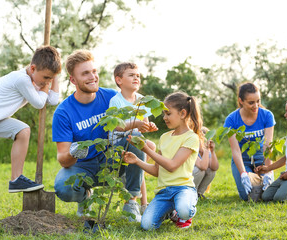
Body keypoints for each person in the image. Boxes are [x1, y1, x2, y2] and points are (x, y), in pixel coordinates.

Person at [0, 46, 62, 228]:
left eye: (50, 78)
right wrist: (47, 84)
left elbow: (53, 100)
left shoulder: (35, 78)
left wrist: (55, 77)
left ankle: (16, 179)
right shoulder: (21, 79)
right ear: (32, 69)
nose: (47, 82)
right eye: (45, 77)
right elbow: (40, 103)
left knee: (22, 130)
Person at [52, 50, 146, 222]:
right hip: (83, 167)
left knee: (136, 138)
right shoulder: (63, 112)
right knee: (63, 186)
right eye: (85, 73)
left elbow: (135, 129)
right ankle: (84, 197)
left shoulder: (111, 97)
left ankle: (131, 201)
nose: (92, 77)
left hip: (112, 161)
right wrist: (75, 152)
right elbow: (63, 159)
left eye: (94, 71)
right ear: (73, 80)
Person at [123, 92, 202, 230]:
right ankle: (171, 212)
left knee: (184, 209)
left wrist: (146, 149)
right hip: (164, 192)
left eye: (168, 113)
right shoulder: (164, 137)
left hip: (183, 189)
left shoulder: (191, 138)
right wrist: (137, 161)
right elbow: (156, 171)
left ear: (183, 113)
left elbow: (172, 166)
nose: (164, 117)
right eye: (164, 114)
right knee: (147, 226)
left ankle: (184, 213)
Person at [109, 62, 158, 213]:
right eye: (131, 75)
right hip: (118, 142)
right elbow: (116, 126)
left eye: (138, 75)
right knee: (140, 147)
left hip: (135, 141)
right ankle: (136, 201)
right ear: (119, 80)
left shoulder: (142, 100)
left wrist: (150, 127)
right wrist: (134, 123)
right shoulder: (116, 100)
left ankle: (143, 203)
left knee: (150, 147)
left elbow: (144, 125)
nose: (136, 78)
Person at [224, 82, 275, 201]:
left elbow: (268, 145)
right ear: (241, 101)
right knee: (248, 196)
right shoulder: (231, 119)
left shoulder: (267, 115)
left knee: (267, 194)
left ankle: (260, 177)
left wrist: (268, 170)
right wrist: (243, 173)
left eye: (258, 101)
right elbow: (235, 150)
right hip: (242, 158)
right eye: (251, 102)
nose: (256, 105)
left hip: (260, 157)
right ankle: (249, 176)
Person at [255, 97, 287, 201]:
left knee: (280, 198)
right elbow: (286, 158)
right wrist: (267, 168)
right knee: (266, 196)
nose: (285, 115)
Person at [193, 127, 219, 199]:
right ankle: (191, 194)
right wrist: (207, 150)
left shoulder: (206, 152)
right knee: (200, 170)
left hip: (195, 177)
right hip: (186, 180)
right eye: (202, 141)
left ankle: (199, 193)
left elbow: (215, 167)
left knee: (211, 170)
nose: (204, 144)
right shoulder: (192, 150)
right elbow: (203, 167)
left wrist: (212, 151)